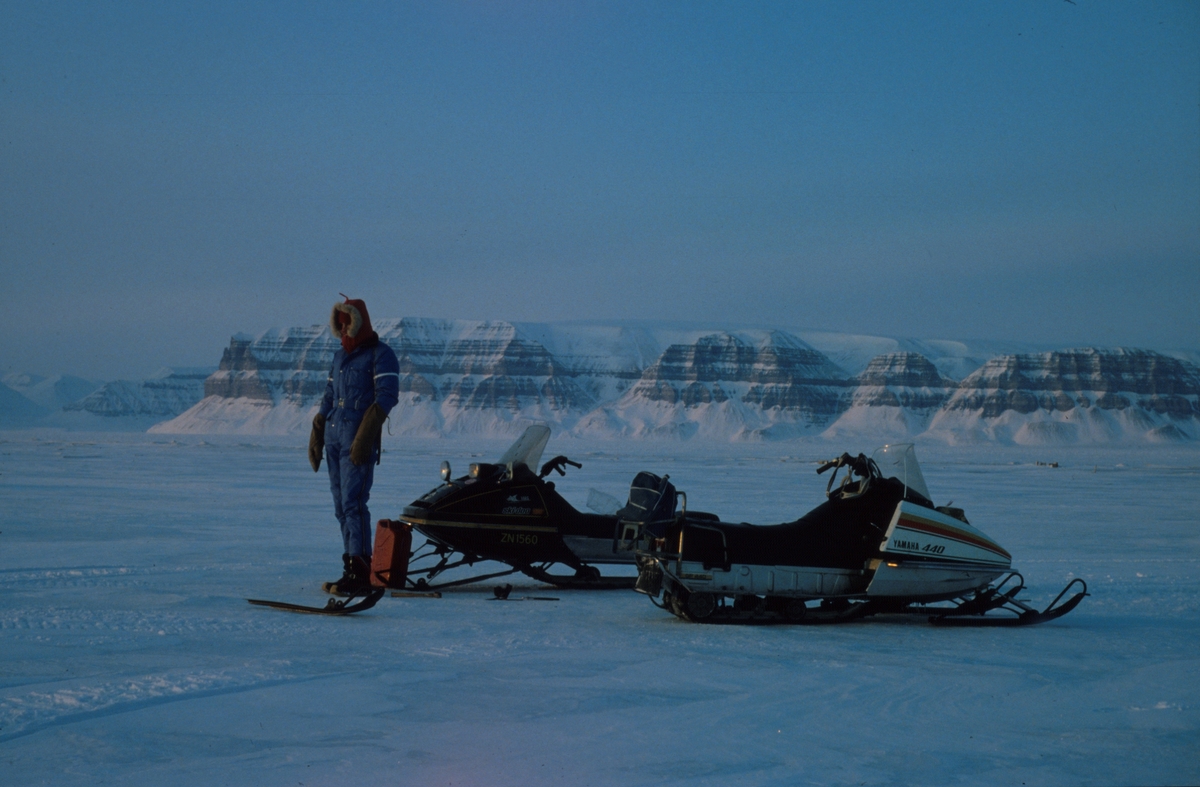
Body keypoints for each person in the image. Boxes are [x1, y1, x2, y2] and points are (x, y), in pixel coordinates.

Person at [307, 296, 400, 594]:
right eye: (340, 324)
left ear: (359, 321)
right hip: (336, 436)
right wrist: (318, 429)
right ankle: (350, 567)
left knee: (354, 503)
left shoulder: (380, 355)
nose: (344, 329)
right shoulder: (339, 358)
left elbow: (386, 396)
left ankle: (361, 572)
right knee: (340, 506)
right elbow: (330, 394)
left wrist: (365, 436)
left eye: (348, 322)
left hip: (356, 440)